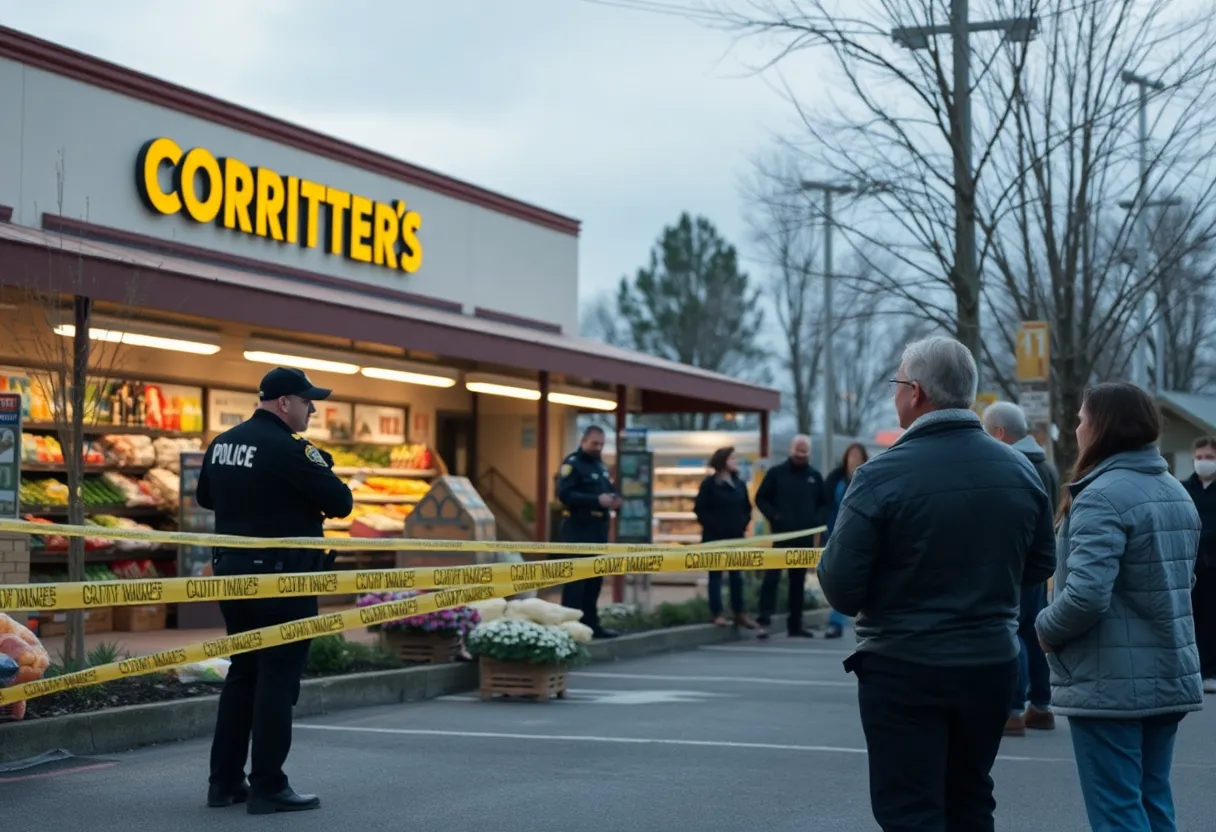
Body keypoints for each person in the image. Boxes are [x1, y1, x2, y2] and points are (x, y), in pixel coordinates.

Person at [817, 335, 1056, 832]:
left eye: (897, 383)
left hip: (903, 668)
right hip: (991, 663)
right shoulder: (1021, 471)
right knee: (970, 799)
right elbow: (1039, 566)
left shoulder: (879, 476)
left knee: (910, 810)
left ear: (917, 392)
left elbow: (841, 588)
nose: (894, 393)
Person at [1036, 382, 1203, 832]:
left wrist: (1045, 627)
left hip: (1110, 684)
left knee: (1117, 812)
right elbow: (1182, 581)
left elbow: (1086, 595)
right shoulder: (1175, 491)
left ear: (1102, 427)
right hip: (1167, 670)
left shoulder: (1101, 495)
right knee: (1152, 802)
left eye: (1081, 419)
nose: (1076, 428)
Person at [197, 367, 354, 815]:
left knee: (243, 673)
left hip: (233, 576)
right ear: (284, 402)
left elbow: (206, 498)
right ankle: (269, 785)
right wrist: (315, 470)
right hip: (284, 581)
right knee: (278, 678)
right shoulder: (292, 448)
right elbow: (341, 503)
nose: (313, 408)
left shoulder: (224, 442)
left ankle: (225, 782)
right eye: (308, 402)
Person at [982, 400, 1060, 736]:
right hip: (1038, 562)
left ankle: (1012, 708)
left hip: (1015, 562)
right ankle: (1040, 705)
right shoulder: (1046, 464)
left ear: (1000, 432)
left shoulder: (1014, 464)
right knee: (1031, 632)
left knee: (1013, 632)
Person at [753, 434, 830, 639]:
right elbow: (761, 498)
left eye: (805, 453)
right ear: (790, 450)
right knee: (771, 579)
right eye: (798, 452)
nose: (801, 456)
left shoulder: (814, 476)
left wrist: (816, 520)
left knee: (797, 583)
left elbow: (824, 503)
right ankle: (763, 621)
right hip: (781, 536)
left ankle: (795, 625)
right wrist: (775, 516)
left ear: (809, 453)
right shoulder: (776, 474)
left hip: (804, 538)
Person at [555, 425, 621, 639]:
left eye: (601, 444)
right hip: (578, 529)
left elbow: (606, 491)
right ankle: (570, 628)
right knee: (576, 582)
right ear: (583, 442)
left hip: (597, 529)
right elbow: (564, 494)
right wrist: (595, 501)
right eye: (594, 443)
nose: (598, 447)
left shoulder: (600, 466)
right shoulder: (573, 464)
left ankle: (592, 625)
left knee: (594, 580)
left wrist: (614, 499)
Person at [694, 446, 758, 629]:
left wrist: (743, 523)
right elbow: (700, 510)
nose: (735, 462)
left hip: (736, 537)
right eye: (732, 458)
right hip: (715, 538)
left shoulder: (739, 483)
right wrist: (715, 526)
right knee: (715, 576)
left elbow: (747, 507)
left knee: (737, 577)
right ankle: (717, 613)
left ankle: (739, 613)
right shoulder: (710, 485)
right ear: (722, 461)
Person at [822, 442, 869, 639]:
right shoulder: (835, 480)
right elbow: (825, 505)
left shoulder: (869, 477)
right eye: (851, 456)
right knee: (839, 579)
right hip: (835, 533)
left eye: (857, 456)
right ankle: (836, 621)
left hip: (861, 535)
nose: (853, 460)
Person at [1184, 436, 1216, 694]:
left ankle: (1211, 670)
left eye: (1209, 457)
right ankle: (1192, 669)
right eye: (1200, 457)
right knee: (1189, 617)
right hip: (1189, 564)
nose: (1203, 462)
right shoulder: (1184, 489)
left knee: (1211, 619)